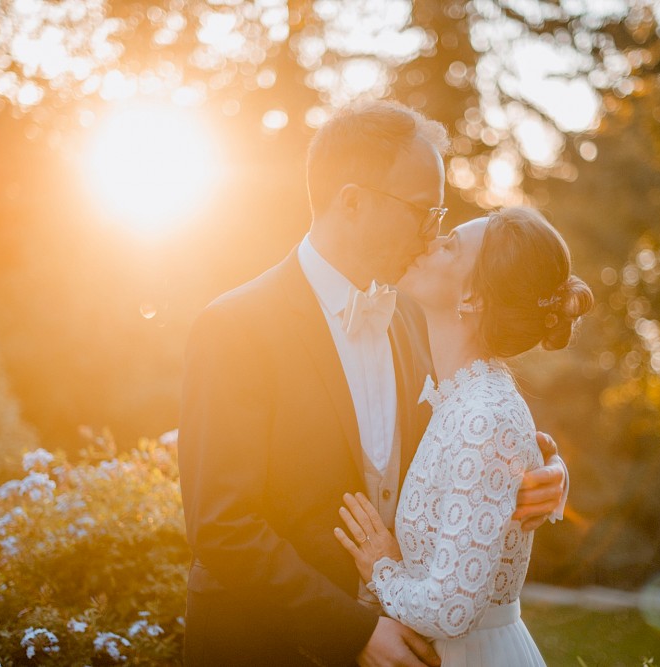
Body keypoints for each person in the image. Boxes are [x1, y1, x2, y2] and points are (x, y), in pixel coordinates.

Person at [177, 102, 569, 667]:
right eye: (421, 211)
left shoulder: (418, 320)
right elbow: (222, 528)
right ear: (353, 202)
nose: (432, 231)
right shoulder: (233, 328)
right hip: (266, 646)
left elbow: (471, 436)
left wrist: (544, 473)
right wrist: (354, 631)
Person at [335, 207, 594, 666]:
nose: (430, 240)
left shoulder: (484, 414)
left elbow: (452, 610)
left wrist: (382, 569)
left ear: (472, 297)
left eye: (449, 243)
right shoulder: (453, 392)